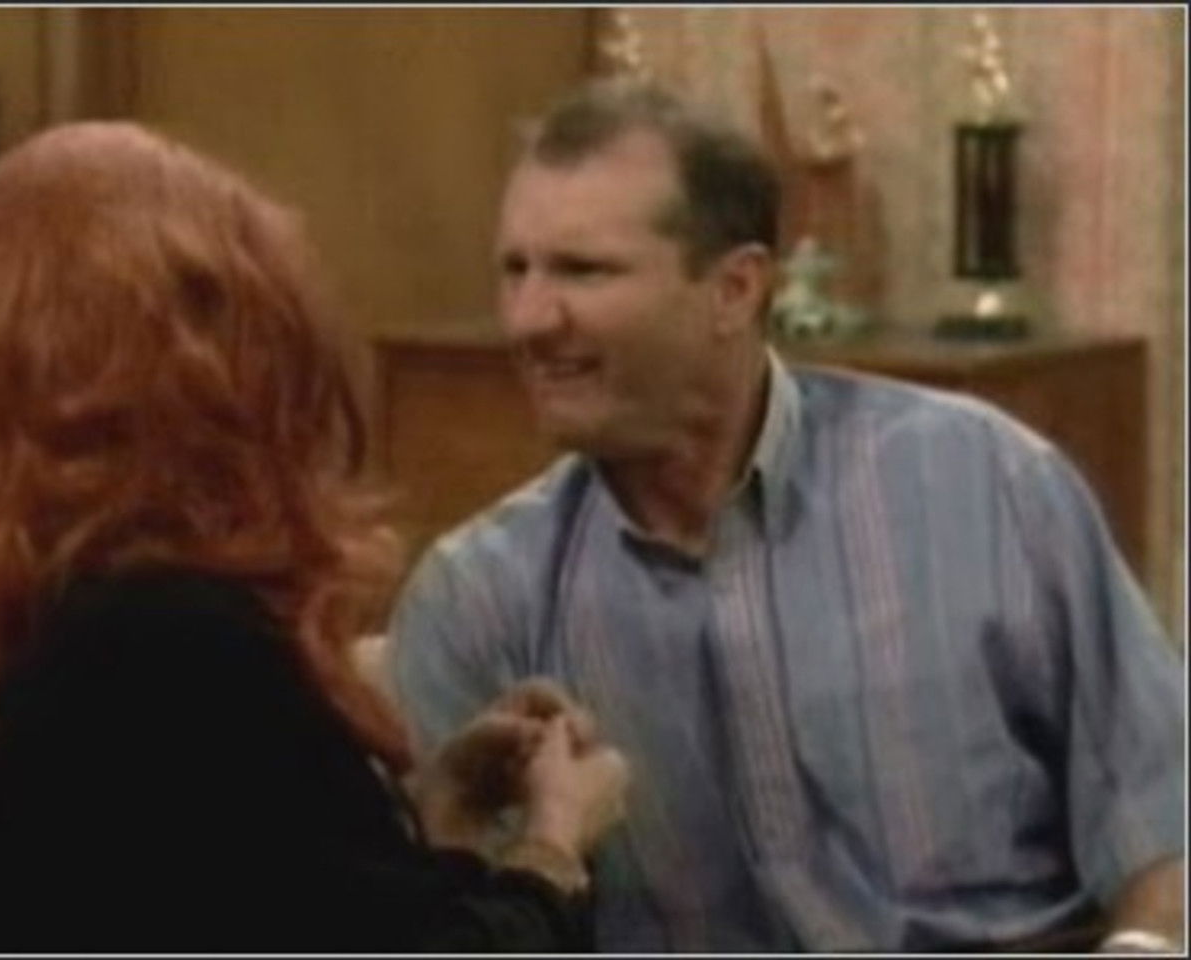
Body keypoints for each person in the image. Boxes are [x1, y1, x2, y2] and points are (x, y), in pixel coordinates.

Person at [388, 78, 1185, 952]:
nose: (529, 320)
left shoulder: (983, 482)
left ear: (735, 289)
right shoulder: (478, 600)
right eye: (515, 270)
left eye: (583, 270)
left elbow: (1166, 822)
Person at [0, 121, 629, 953]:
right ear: (224, 375)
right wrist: (553, 852)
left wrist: (439, 821)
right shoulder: (164, 637)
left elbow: (255, 900)